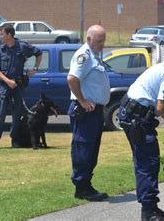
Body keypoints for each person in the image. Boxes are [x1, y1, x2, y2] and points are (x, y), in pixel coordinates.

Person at [118, 61, 164, 221]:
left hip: (135, 114)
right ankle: (149, 212)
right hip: (138, 118)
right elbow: (161, 108)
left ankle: (152, 208)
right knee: (147, 163)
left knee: (146, 162)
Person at [67, 24, 110, 202]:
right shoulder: (84, 56)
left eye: (104, 41)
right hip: (85, 112)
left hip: (95, 111)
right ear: (89, 39)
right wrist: (83, 100)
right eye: (100, 41)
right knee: (83, 149)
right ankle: (81, 186)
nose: (102, 45)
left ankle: (86, 184)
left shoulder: (95, 55)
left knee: (92, 150)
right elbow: (72, 78)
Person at [0, 23, 42, 150]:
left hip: (18, 85)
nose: (0, 36)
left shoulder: (22, 46)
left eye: (2, 34)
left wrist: (35, 69)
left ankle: (15, 139)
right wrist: (7, 81)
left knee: (17, 114)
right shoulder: (0, 50)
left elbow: (38, 53)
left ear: (9, 35)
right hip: (4, 86)